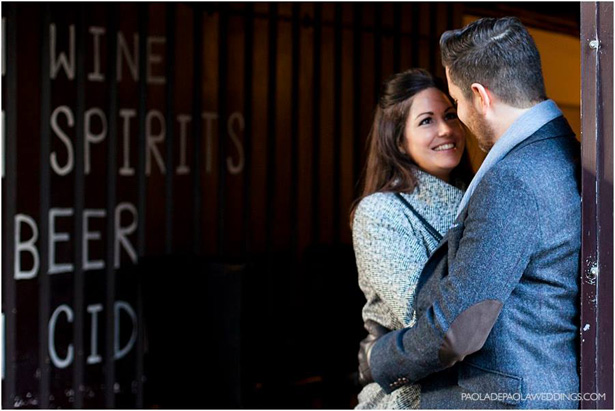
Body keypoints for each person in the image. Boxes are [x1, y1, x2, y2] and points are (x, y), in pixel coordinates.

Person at [359, 17, 581, 409]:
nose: (452, 124)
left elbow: (456, 324)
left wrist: (378, 357)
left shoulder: (510, 179)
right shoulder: (564, 155)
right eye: (427, 121)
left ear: (480, 96)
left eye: (454, 105)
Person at [351, 68, 473, 409]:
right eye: (426, 121)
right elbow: (428, 321)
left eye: (450, 115)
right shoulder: (380, 213)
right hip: (411, 398)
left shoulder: (480, 198)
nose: (446, 129)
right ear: (398, 139)